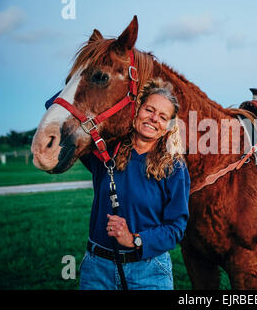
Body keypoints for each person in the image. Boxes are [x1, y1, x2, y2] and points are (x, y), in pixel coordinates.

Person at [78, 78, 190, 290]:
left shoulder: (175, 169)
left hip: (149, 272)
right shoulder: (106, 153)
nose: (154, 118)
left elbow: (176, 228)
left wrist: (134, 240)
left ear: (167, 128)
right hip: (97, 270)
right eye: (149, 109)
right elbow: (58, 103)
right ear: (136, 110)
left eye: (163, 117)